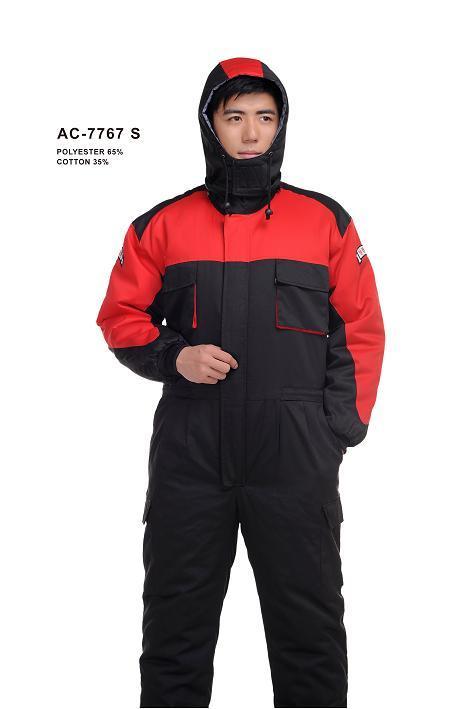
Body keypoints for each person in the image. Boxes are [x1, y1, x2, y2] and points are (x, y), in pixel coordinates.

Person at [96, 56, 385, 708]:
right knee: (174, 624)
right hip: (191, 451)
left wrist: (337, 428)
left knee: (308, 626)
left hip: (294, 455)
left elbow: (361, 328)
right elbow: (119, 317)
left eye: (264, 117)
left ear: (281, 125)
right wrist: (175, 356)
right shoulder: (161, 225)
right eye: (234, 117)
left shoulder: (325, 222)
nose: (251, 132)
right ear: (210, 125)